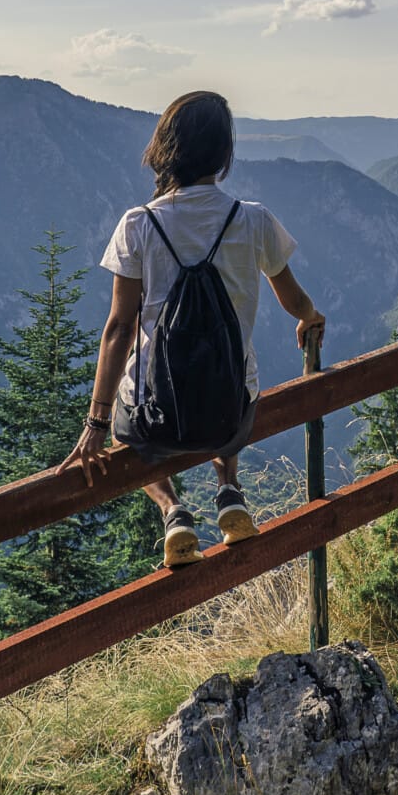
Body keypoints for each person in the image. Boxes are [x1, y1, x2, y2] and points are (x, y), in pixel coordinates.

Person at [57, 90, 326, 568]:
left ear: (164, 150)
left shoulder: (138, 225)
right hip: (231, 413)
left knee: (126, 432)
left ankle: (172, 510)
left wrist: (95, 425)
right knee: (233, 374)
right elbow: (293, 297)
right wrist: (309, 318)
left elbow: (120, 328)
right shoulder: (254, 219)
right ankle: (229, 489)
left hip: (157, 418)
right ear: (224, 155)